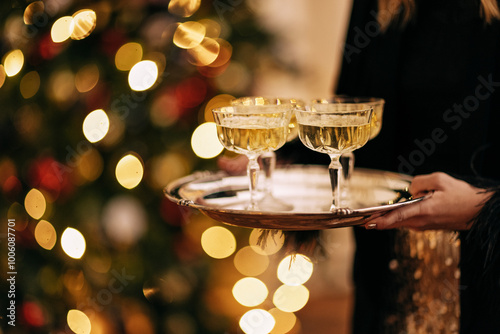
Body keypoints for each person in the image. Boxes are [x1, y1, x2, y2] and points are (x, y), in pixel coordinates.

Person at [335, 0, 500, 332]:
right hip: (391, 276)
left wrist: (487, 211)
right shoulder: (376, 6)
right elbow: (349, 126)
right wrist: (278, 156)